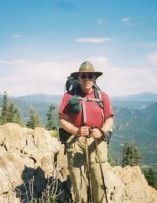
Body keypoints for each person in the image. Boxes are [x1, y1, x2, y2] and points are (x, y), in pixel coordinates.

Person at [59, 61, 114, 203]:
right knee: (78, 181)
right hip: (75, 141)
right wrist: (77, 131)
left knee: (99, 179)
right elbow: (62, 121)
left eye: (90, 76)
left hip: (97, 140)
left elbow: (109, 119)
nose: (87, 79)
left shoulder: (103, 97)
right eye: (84, 76)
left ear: (94, 78)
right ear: (78, 78)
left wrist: (102, 132)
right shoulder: (68, 97)